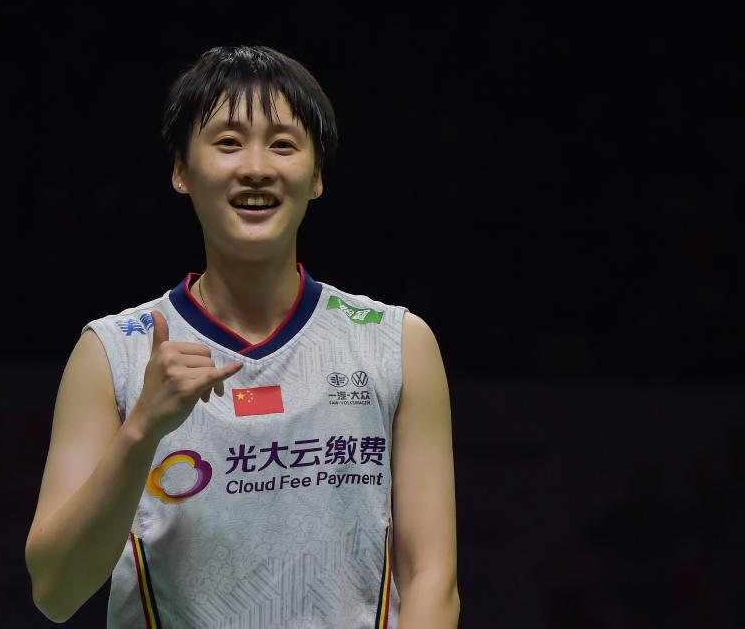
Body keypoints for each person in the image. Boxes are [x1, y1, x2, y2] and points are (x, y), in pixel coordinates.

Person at [25, 44, 459, 628]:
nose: (256, 166)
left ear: (317, 176)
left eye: (283, 144)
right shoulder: (112, 352)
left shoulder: (395, 343)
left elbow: (432, 577)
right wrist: (142, 429)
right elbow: (55, 591)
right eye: (228, 143)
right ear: (181, 171)